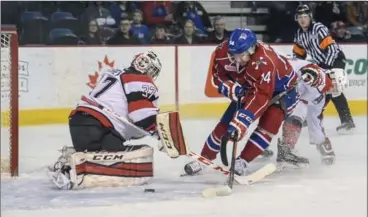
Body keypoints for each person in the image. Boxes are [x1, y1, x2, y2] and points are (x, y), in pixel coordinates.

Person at [184, 28, 300, 176]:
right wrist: (228, 86)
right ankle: (204, 159)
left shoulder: (264, 61)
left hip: (283, 91)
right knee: (226, 123)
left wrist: (243, 119)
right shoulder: (222, 52)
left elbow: (261, 96)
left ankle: (242, 161)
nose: (237, 60)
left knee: (268, 126)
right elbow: (218, 76)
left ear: (252, 49)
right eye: (234, 55)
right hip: (251, 87)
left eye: (241, 55)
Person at [48, 51, 163, 190]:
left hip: (80, 122)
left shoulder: (114, 72)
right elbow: (140, 116)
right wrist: (160, 131)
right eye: (152, 70)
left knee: (112, 147)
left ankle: (69, 165)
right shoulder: (139, 79)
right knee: (116, 162)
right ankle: (73, 171)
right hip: (98, 126)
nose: (151, 75)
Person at [292, 4, 355, 134]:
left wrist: (326, 68)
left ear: (310, 17)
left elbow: (331, 49)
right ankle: (312, 116)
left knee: (333, 88)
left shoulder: (318, 28)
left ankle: (347, 121)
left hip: (336, 59)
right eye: (300, 17)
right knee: (316, 89)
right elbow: (298, 55)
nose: (302, 20)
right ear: (296, 19)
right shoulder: (299, 34)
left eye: (305, 17)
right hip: (322, 63)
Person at [278, 57, 347, 167]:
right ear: (332, 77)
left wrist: (323, 145)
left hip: (290, 97)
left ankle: (286, 150)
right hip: (275, 82)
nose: (332, 91)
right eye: (334, 87)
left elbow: (315, 121)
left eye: (335, 90)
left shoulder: (321, 97)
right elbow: (290, 64)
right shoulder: (315, 71)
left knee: (298, 112)